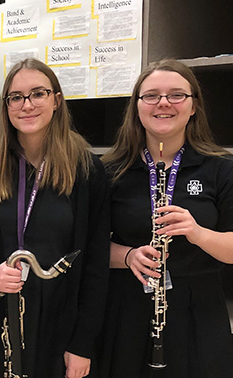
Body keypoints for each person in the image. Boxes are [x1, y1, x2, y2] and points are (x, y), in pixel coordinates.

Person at [0, 58, 110, 378]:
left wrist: (82, 344)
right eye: (16, 97)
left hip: (61, 326)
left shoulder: (87, 170)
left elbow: (95, 264)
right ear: (6, 105)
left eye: (38, 94)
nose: (27, 105)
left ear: (57, 100)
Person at [97, 59, 233, 377]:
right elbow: (86, 247)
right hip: (126, 312)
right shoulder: (108, 170)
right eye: (152, 95)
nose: (163, 103)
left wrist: (197, 232)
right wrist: (127, 256)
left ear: (193, 106)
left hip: (199, 314)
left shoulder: (220, 168)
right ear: (137, 106)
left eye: (176, 95)